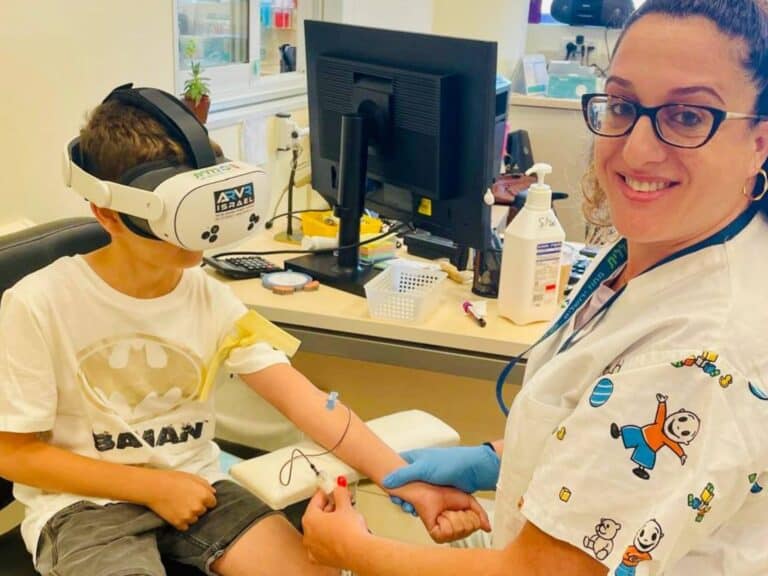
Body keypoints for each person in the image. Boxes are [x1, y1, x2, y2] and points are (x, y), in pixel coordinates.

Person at [301, 0, 768, 574]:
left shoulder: (701, 346)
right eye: (622, 105)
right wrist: (499, 460)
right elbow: (609, 425)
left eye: (689, 117)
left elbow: (548, 572)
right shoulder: (666, 253)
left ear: (760, 143)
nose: (639, 149)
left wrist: (352, 551)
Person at [0, 87, 488, 576]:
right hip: (86, 506)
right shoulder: (37, 304)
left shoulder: (208, 296)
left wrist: (402, 480)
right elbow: (13, 455)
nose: (193, 230)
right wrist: (151, 487)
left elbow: (306, 402)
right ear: (106, 212)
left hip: (198, 485)